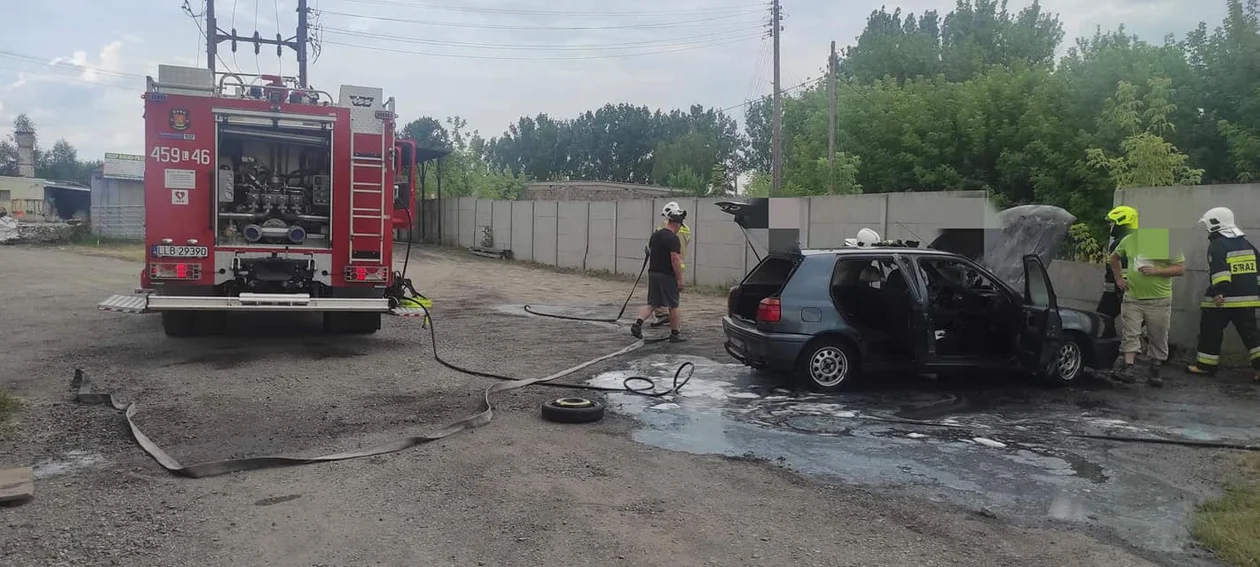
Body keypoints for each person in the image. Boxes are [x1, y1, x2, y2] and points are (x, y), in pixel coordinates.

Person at [1186, 207, 1260, 381]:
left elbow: (1220, 272)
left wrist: (1219, 293)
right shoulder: (1247, 244)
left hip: (1223, 300)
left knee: (1210, 331)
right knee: (1252, 335)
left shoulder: (1217, 245)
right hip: (1247, 301)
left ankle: (1205, 366)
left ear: (1214, 223)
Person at [1109, 224, 1185, 386]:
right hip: (1133, 297)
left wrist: (1156, 271)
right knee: (1130, 333)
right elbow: (1113, 258)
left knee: (1158, 334)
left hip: (1159, 300)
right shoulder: (1129, 241)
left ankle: (1155, 368)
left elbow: (1180, 269)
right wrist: (1119, 278)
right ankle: (1129, 368)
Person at [632, 203, 687, 342]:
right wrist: (680, 279)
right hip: (667, 275)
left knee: (652, 303)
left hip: (653, 273)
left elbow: (649, 251)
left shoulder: (655, 235)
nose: (680, 228)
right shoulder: (673, 239)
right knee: (674, 305)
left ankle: (638, 323)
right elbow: (675, 259)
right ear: (677, 224)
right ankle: (675, 334)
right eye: (680, 225)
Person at [1098, 206, 1138, 334]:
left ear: (1121, 222)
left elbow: (1117, 266)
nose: (1111, 226)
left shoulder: (1120, 242)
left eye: (1113, 222)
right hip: (1133, 290)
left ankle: (1108, 347)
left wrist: (1119, 282)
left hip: (1117, 291)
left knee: (1103, 317)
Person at [652, 202, 691, 327]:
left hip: (665, 267)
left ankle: (663, 315)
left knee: (659, 295)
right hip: (679, 265)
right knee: (673, 297)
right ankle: (673, 320)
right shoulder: (686, 228)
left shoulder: (663, 227)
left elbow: (656, 244)